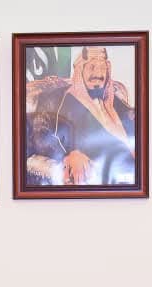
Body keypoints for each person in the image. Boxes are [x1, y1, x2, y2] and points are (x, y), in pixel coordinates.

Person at [25, 46, 137, 186]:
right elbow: (44, 135)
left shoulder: (115, 101)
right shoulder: (63, 101)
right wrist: (71, 154)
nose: (98, 73)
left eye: (102, 67)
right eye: (92, 67)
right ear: (80, 70)